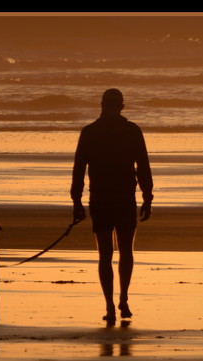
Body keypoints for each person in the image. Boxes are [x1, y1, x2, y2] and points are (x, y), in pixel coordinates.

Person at [70, 89, 154, 323]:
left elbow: (79, 169)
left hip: (100, 198)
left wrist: (76, 200)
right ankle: (124, 299)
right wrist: (148, 196)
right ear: (122, 107)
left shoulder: (89, 132)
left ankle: (109, 305)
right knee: (126, 251)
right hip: (125, 197)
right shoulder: (132, 131)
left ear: (101, 105)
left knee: (105, 254)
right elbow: (143, 166)